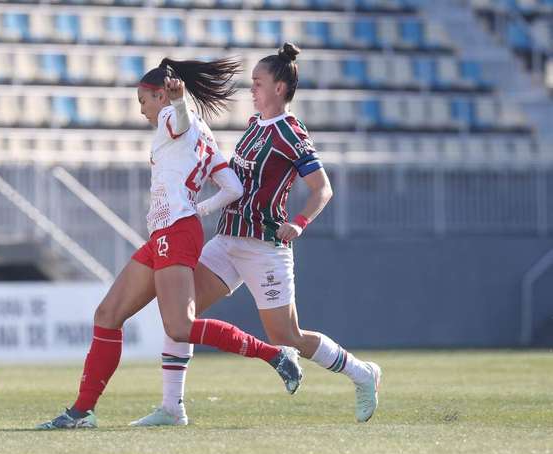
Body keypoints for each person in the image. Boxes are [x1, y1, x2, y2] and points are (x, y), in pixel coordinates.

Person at [37, 57, 304, 430]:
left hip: (175, 230)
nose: (142, 110)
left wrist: (177, 105)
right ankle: (82, 412)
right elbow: (234, 188)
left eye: (143, 100)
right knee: (108, 314)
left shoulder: (173, 116)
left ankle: (274, 354)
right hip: (170, 229)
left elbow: (175, 120)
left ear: (159, 94)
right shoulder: (203, 133)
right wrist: (202, 208)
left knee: (179, 326)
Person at [130, 43, 381, 428]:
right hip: (228, 239)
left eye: (258, 83)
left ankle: (363, 375)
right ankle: (171, 407)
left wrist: (299, 222)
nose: (252, 89)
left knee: (287, 334)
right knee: (180, 317)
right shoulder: (253, 125)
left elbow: (322, 188)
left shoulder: (290, 132)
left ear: (279, 88)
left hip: (265, 246)